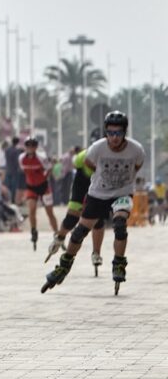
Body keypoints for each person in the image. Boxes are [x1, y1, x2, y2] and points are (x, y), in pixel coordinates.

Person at [42, 111, 145, 295]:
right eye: (110, 133)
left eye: (118, 133)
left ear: (125, 133)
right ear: (106, 132)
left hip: (122, 193)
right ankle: (64, 266)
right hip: (98, 194)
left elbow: (136, 167)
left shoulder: (136, 150)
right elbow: (88, 167)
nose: (114, 138)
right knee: (79, 233)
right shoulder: (97, 148)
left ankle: (119, 263)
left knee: (120, 225)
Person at [45, 148, 106, 274]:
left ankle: (96, 253)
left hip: (99, 185)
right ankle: (60, 237)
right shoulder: (85, 154)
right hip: (82, 183)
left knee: (98, 220)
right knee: (72, 218)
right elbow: (74, 163)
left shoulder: (113, 156)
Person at [20, 137, 58, 251]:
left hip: (43, 186)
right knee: (31, 209)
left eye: (33, 146)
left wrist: (44, 178)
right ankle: (33, 231)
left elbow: (49, 168)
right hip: (31, 187)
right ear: (25, 147)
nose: (30, 148)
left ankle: (57, 234)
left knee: (49, 212)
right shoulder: (21, 158)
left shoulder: (41, 157)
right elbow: (23, 170)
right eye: (28, 145)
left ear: (36, 147)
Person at [4, 137, 22, 203]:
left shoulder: (7, 150)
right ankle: (12, 199)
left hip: (8, 169)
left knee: (8, 185)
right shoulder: (16, 151)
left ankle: (7, 199)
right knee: (14, 186)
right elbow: (17, 161)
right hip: (14, 170)